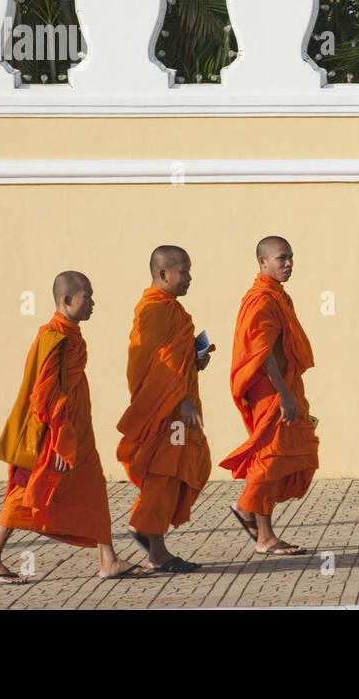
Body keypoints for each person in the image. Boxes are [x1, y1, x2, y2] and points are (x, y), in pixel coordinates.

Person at [0, 271, 149, 582]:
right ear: (67, 300)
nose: (93, 303)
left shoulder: (71, 335)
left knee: (93, 488)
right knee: (26, 491)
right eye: (88, 297)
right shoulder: (53, 338)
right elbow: (45, 395)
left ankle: (108, 559)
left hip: (79, 431)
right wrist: (59, 438)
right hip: (54, 435)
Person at [116, 246, 214, 573]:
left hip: (176, 407)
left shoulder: (171, 310)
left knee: (180, 471)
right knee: (165, 474)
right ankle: (153, 546)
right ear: (163, 274)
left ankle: (152, 539)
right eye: (184, 271)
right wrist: (180, 399)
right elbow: (154, 366)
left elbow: (175, 360)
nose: (189, 278)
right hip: (166, 410)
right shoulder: (154, 311)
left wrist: (196, 360)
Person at [219, 236, 319, 555]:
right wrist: (284, 394)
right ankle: (258, 527)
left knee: (287, 454)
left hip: (284, 387)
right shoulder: (261, 299)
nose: (288, 264)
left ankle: (256, 522)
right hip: (272, 390)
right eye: (281, 259)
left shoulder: (277, 295)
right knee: (271, 457)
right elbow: (261, 353)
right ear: (262, 263)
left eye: (290, 258)